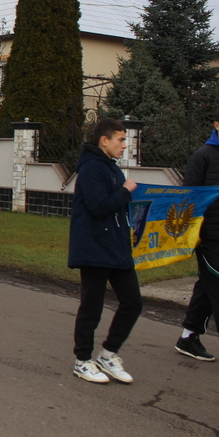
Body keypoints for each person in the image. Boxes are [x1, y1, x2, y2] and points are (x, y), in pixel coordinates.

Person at [68, 118, 142, 384]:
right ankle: (82, 360)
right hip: (94, 247)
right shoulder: (90, 169)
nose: (125, 145)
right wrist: (125, 191)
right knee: (92, 306)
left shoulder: (112, 168)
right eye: (121, 140)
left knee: (133, 302)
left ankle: (108, 354)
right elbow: (99, 206)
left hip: (117, 247)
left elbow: (115, 208)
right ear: (105, 140)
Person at [175, 106, 219, 374]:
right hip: (207, 234)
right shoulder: (201, 156)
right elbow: (189, 197)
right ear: (217, 125)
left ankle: (188, 337)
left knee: (209, 284)